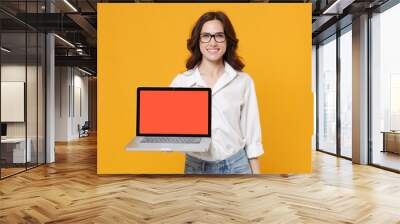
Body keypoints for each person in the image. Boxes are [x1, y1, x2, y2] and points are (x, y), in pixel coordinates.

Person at [171, 11, 264, 174]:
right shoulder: (182, 81)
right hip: (195, 167)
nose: (213, 42)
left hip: (236, 165)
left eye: (219, 36)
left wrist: (256, 179)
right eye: (206, 36)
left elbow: (252, 134)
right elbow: (167, 126)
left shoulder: (243, 81)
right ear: (198, 41)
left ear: (227, 40)